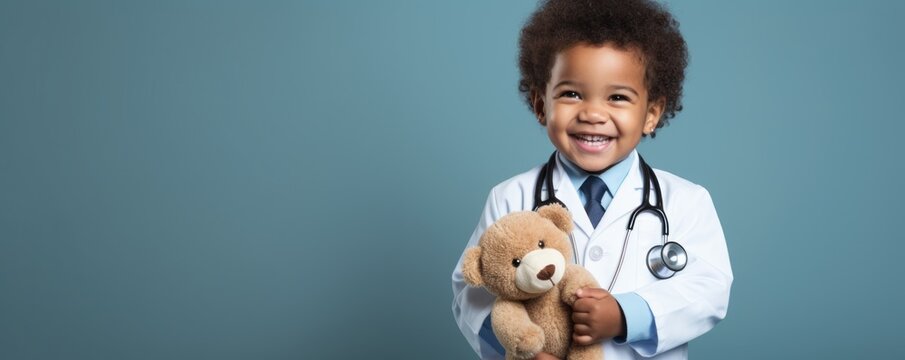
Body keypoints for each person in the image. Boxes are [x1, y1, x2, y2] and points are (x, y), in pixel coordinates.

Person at [451, 1, 733, 359]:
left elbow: (709, 289)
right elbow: (470, 290)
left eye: (618, 97)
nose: (593, 114)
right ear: (541, 106)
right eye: (571, 94)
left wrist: (626, 315)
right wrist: (522, 346)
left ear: (651, 114)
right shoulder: (511, 196)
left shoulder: (685, 200)